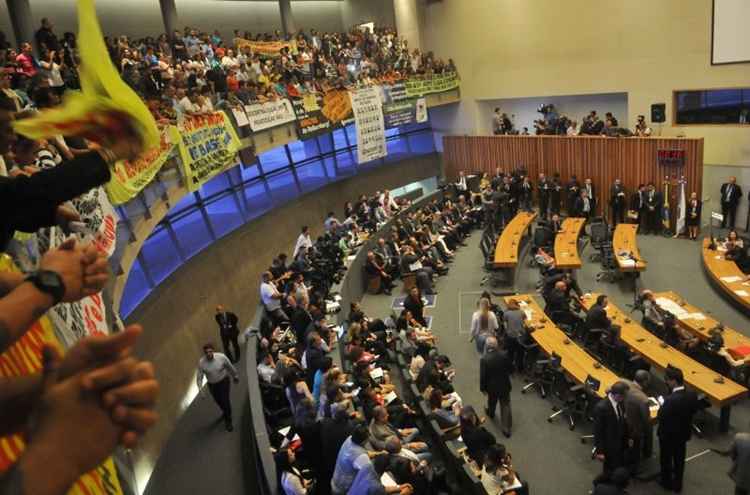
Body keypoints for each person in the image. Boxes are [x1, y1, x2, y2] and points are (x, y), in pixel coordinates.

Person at [658, 366, 703, 492]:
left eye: (667, 379)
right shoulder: (692, 393)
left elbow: (661, 415)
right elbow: (694, 410)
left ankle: (666, 482)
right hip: (683, 433)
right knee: (679, 460)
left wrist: (662, 404)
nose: (665, 382)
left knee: (666, 459)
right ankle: (678, 484)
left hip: (668, 435)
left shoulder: (671, 400)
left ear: (674, 381)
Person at [196, 342, 239, 431]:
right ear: (204, 353)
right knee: (218, 401)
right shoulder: (202, 363)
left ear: (213, 351)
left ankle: (228, 419)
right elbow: (199, 377)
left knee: (225, 400)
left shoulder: (221, 357)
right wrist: (200, 389)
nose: (209, 354)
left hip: (223, 382)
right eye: (206, 352)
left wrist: (235, 375)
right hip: (212, 385)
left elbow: (229, 366)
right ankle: (225, 411)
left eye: (210, 351)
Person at [593, 381, 630, 479]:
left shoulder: (620, 402)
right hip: (609, 445)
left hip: (619, 440)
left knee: (616, 465)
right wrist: (600, 451)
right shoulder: (602, 408)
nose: (625, 399)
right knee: (609, 469)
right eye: (623, 396)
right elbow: (598, 431)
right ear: (617, 395)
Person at [479, 336, 513, 437]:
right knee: (505, 405)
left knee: (492, 401)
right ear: (497, 345)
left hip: (491, 387)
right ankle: (506, 429)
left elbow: (483, 376)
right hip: (504, 385)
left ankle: (491, 413)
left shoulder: (484, 359)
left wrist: (483, 388)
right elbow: (511, 368)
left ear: (487, 346)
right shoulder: (504, 355)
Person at [330, 424, 373, 495]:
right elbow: (370, 477)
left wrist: (377, 453)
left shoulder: (349, 439)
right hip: (344, 490)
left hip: (335, 482)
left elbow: (360, 454)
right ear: (364, 441)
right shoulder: (361, 456)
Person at [624, 370, 653, 470]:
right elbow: (646, 420)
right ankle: (634, 469)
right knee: (635, 450)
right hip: (634, 430)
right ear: (645, 382)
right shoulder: (643, 399)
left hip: (622, 422)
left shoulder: (623, 383)